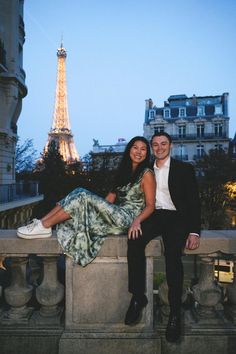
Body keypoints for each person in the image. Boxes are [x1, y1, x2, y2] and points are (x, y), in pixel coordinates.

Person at [17, 136, 156, 267]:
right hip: (115, 215)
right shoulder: (124, 172)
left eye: (143, 149)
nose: (138, 152)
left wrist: (137, 221)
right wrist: (94, 207)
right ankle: (42, 223)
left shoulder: (146, 173)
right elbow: (108, 201)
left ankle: (44, 225)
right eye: (135, 147)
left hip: (128, 218)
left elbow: (150, 205)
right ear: (129, 150)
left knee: (83, 194)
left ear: (146, 153)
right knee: (79, 191)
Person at [125, 132, 201, 343]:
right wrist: (135, 220)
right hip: (154, 215)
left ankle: (175, 314)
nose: (159, 148)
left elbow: (194, 201)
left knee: (173, 257)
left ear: (171, 145)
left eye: (163, 144)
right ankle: (138, 296)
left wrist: (194, 231)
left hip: (177, 217)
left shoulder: (184, 169)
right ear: (152, 147)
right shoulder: (145, 168)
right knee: (134, 240)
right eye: (155, 145)